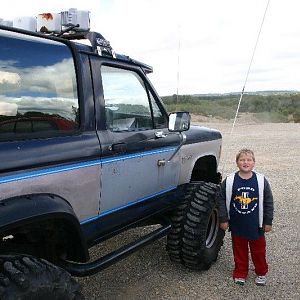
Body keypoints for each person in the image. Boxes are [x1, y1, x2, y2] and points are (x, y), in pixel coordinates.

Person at [218, 148, 274, 286]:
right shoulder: (230, 180)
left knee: (259, 251)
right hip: (237, 225)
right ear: (237, 162)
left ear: (254, 163)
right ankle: (240, 272)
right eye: (242, 159)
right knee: (239, 251)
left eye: (249, 160)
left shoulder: (261, 180)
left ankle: (261, 272)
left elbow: (268, 201)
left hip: (257, 225)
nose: (245, 162)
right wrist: (223, 219)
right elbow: (220, 199)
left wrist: (268, 221)